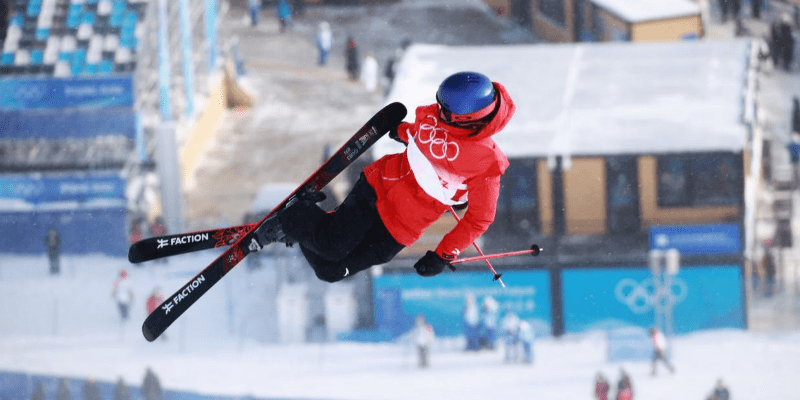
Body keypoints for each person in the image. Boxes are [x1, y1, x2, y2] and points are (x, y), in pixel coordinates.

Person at [259, 71, 516, 283]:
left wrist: (443, 254)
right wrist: (400, 132)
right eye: (439, 104)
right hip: (378, 189)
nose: (438, 112)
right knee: (332, 246)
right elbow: (418, 134)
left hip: (402, 227)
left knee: (330, 270)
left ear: (467, 120)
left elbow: (479, 220)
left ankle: (304, 227)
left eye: (445, 111)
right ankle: (294, 217)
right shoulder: (438, 118)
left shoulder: (486, 165)